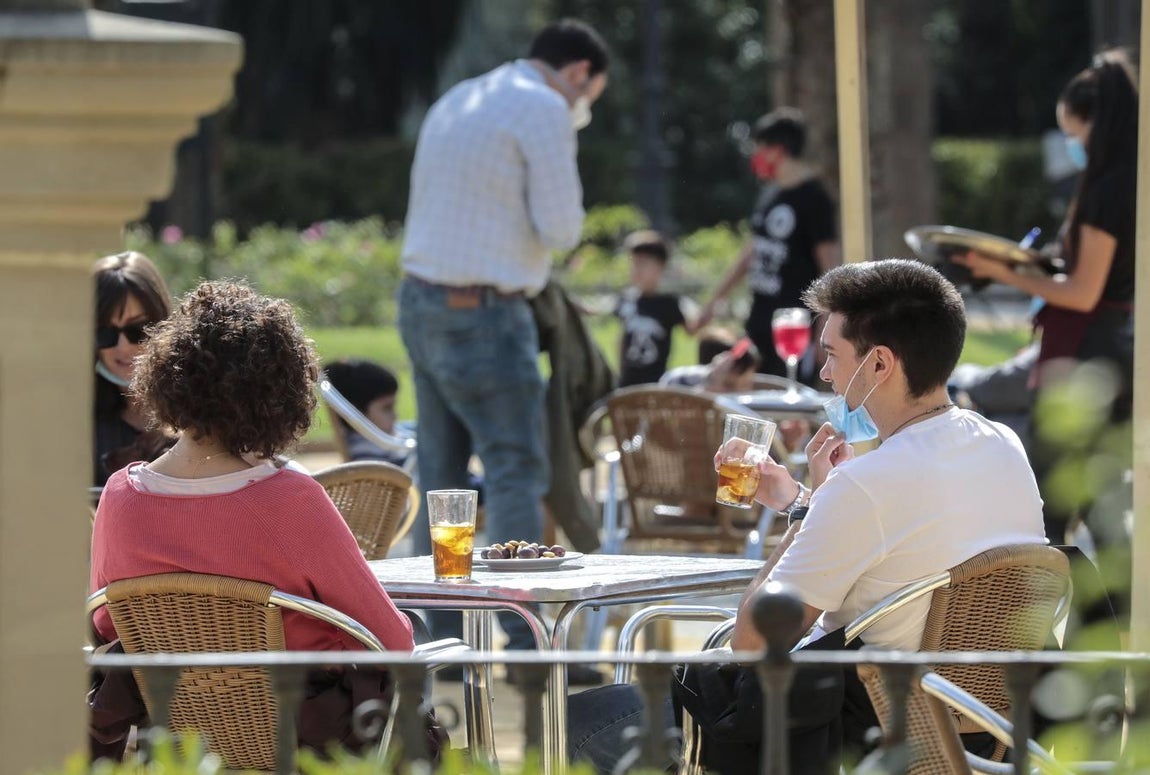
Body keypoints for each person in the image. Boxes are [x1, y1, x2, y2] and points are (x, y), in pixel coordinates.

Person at [568, 259, 1046, 775]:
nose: (825, 374)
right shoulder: (1002, 446)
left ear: (880, 364)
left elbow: (752, 641)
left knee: (570, 720)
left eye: (834, 355)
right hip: (982, 725)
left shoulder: (866, 484)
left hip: (850, 733)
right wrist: (808, 501)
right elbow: (901, 531)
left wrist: (809, 512)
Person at [88, 281, 442, 760]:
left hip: (183, 746)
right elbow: (392, 640)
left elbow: (111, 623)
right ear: (279, 396)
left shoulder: (119, 495)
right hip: (310, 744)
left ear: (167, 379)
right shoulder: (290, 499)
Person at [397, 19, 609, 654]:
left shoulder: (463, 94)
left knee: (440, 475)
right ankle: (524, 649)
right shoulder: (545, 106)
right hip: (485, 310)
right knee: (516, 469)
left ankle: (436, 644)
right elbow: (562, 227)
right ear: (579, 74)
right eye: (590, 95)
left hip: (420, 299)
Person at [952, 50, 1136, 546]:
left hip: (1087, 356)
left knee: (1053, 511)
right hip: (1104, 352)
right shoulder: (1123, 184)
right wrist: (1024, 264)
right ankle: (1102, 617)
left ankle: (1041, 614)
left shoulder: (1108, 191)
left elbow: (1082, 292)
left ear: (1100, 125)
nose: (1074, 147)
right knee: (1091, 505)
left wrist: (1001, 273)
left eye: (1076, 135)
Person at [696, 108, 840, 379]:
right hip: (759, 320)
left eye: (760, 148)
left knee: (789, 404)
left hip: (794, 327)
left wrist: (825, 324)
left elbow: (829, 266)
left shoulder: (815, 198)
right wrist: (714, 301)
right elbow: (749, 254)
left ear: (777, 149)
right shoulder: (771, 194)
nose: (756, 156)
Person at [92, 252, 175, 487]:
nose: (123, 346)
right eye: (104, 332)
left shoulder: (204, 413)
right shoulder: (71, 422)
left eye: (137, 330)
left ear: (163, 325)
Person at [615, 230, 696, 387]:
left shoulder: (668, 303)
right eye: (634, 264)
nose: (637, 270)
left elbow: (691, 330)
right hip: (627, 381)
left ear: (661, 267)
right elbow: (621, 340)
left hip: (656, 380)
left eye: (643, 264)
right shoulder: (627, 300)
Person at [323, 358, 411, 467]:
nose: (395, 415)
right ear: (358, 412)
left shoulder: (388, 436)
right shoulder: (366, 454)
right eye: (386, 408)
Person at [660, 328, 761, 394]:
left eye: (746, 385)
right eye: (729, 385)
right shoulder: (678, 380)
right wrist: (714, 382)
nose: (739, 392)